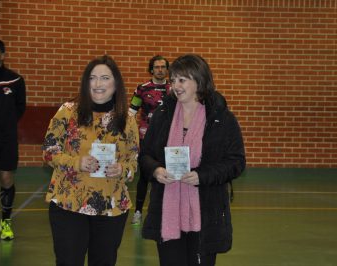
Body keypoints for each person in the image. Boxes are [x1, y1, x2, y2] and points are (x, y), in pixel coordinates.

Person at [139, 54, 246, 266]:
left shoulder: (221, 118)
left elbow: (236, 162)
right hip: (168, 213)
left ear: (199, 80)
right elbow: (145, 155)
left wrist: (202, 176)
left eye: (182, 80)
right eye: (173, 80)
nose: (175, 86)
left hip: (206, 213)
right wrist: (156, 170)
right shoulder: (162, 114)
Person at [42, 55, 139, 265]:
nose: (97, 84)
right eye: (92, 78)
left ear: (116, 83)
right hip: (69, 204)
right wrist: (77, 162)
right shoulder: (67, 111)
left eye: (105, 78)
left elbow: (133, 161)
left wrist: (122, 169)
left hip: (111, 206)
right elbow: (49, 152)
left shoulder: (127, 119)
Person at [129, 55, 171, 225]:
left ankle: (163, 213)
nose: (160, 70)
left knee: (166, 175)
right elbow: (131, 112)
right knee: (145, 176)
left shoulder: (174, 89)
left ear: (167, 70)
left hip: (168, 139)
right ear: (151, 69)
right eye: (157, 67)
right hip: (146, 138)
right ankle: (138, 211)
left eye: (163, 67)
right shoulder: (142, 89)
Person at [0, 38, 26, 240]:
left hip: (5, 139)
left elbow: (20, 108)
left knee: (6, 178)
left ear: (3, 55)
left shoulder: (15, 80)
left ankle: (5, 221)